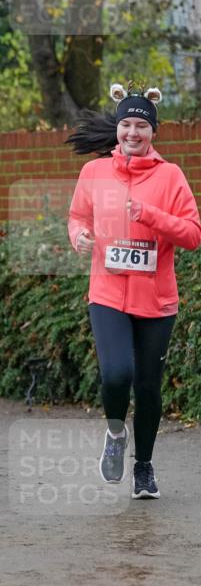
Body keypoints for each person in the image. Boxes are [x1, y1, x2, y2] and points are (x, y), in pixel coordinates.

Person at [67, 82, 201, 499]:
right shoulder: (94, 172)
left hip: (156, 300)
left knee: (147, 386)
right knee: (116, 375)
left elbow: (193, 234)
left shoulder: (170, 176)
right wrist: (80, 237)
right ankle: (113, 432)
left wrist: (151, 215)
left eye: (141, 125)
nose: (132, 133)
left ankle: (143, 468)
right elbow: (76, 217)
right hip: (106, 293)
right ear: (118, 129)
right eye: (126, 124)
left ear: (153, 132)